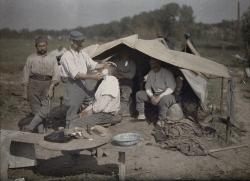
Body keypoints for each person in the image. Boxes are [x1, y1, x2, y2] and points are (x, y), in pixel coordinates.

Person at [60, 30, 111, 129]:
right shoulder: (67, 56)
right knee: (73, 107)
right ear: (71, 42)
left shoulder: (82, 53)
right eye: (78, 42)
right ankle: (68, 129)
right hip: (73, 84)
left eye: (81, 42)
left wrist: (104, 65)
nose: (81, 44)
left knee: (91, 101)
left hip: (83, 82)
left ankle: (84, 123)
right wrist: (93, 77)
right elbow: (76, 75)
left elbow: (93, 65)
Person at [22, 36, 60, 132]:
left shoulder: (52, 58)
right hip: (33, 85)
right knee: (36, 112)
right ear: (36, 47)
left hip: (47, 85)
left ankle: (30, 127)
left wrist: (51, 88)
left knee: (45, 111)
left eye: (43, 46)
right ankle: (40, 134)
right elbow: (25, 74)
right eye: (39, 46)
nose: (42, 48)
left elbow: (56, 74)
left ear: (47, 46)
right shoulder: (31, 58)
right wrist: (24, 91)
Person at [136, 58, 176, 124]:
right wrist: (151, 96)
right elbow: (147, 86)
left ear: (159, 63)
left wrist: (160, 97)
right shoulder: (151, 73)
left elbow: (171, 88)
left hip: (167, 95)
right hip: (155, 94)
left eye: (155, 63)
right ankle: (141, 114)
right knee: (139, 94)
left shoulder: (167, 73)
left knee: (164, 100)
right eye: (151, 64)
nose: (153, 65)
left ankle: (161, 120)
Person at [111, 48, 136, 117]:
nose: (124, 54)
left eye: (126, 53)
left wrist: (121, 74)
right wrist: (123, 74)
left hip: (127, 83)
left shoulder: (132, 63)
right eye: (123, 53)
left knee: (125, 94)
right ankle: (114, 110)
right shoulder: (116, 62)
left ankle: (124, 111)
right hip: (116, 81)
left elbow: (131, 75)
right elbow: (113, 72)